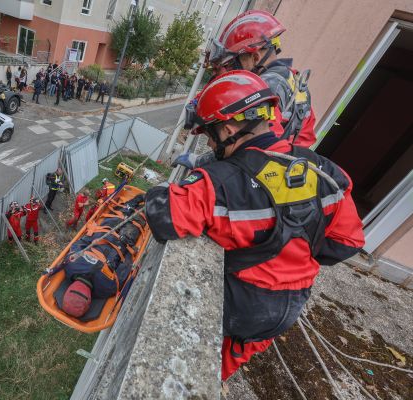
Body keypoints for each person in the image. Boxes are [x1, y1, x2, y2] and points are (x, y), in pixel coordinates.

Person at [145, 70, 364, 381]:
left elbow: (164, 214)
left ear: (229, 127)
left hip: (242, 303)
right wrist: (294, 249)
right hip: (290, 307)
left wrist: (158, 191)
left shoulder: (222, 183)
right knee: (228, 357)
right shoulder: (326, 171)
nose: (210, 143)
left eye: (210, 134)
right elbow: (347, 242)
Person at [217, 10, 316, 147]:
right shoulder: (296, 83)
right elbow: (304, 140)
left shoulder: (263, 89)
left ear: (255, 57)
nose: (232, 70)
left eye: (234, 63)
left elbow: (256, 143)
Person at [59, 195, 146, 318]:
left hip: (121, 242)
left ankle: (147, 205)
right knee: (121, 214)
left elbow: (125, 267)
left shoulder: (107, 289)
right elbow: (81, 243)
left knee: (135, 220)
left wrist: (128, 252)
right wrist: (93, 236)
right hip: (104, 233)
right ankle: (139, 200)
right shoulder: (70, 266)